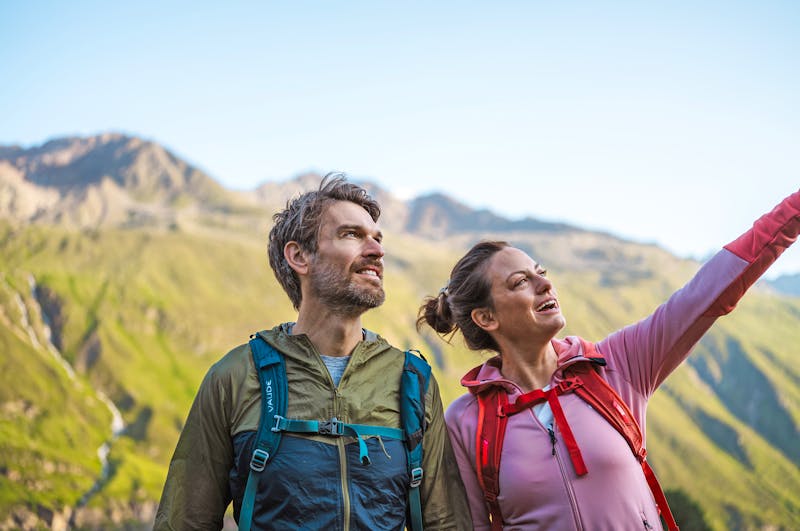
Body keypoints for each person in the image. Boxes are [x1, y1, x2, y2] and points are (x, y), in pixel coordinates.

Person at [418, 189, 800, 530]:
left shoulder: (616, 364)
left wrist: (794, 210)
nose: (546, 284)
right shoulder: (467, 420)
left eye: (541, 273)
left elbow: (709, 292)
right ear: (487, 318)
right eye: (520, 282)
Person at [156, 174, 471, 530]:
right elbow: (185, 521)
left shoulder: (413, 382)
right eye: (352, 234)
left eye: (377, 239)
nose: (377, 250)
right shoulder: (235, 377)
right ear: (299, 256)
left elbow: (447, 523)